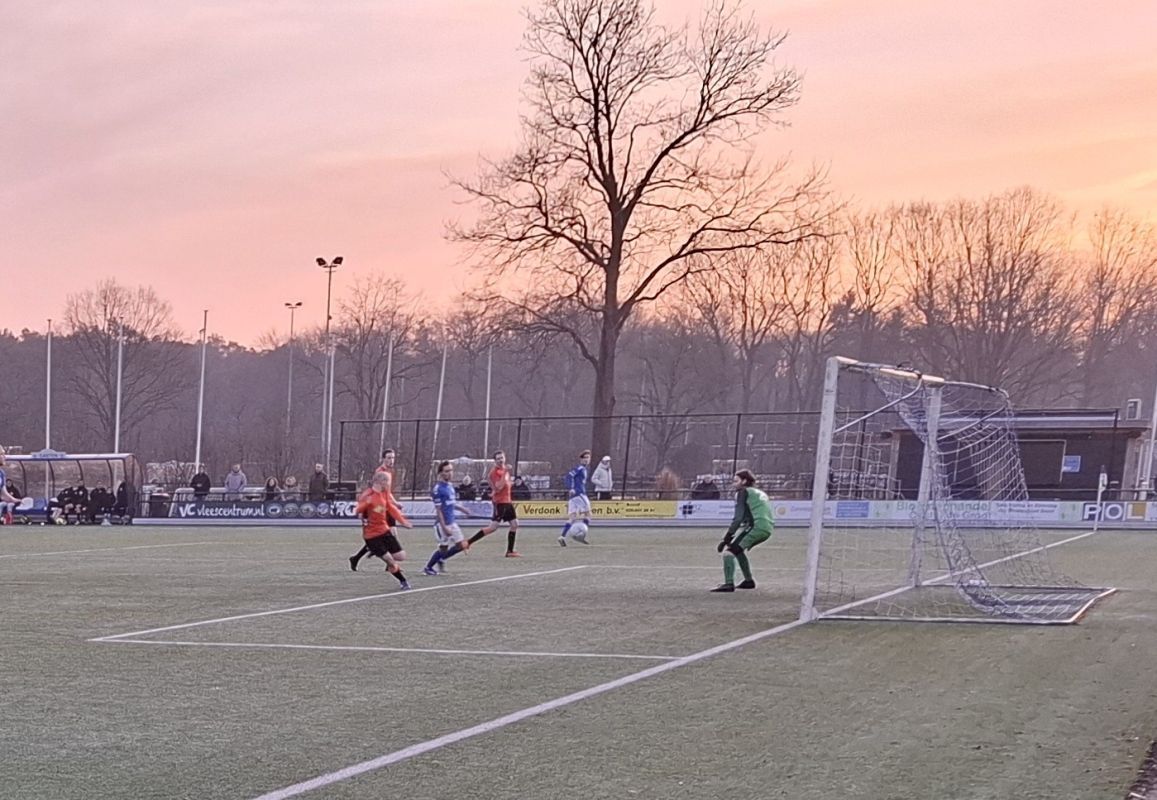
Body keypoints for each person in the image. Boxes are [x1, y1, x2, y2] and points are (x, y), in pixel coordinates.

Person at [711, 469, 775, 593]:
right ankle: (748, 581)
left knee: (729, 553)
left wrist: (727, 538)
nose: (733, 484)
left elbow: (738, 518)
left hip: (756, 526)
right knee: (738, 550)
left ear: (744, 481)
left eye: (736, 481)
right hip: (766, 527)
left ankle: (729, 584)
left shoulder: (742, 492)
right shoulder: (758, 492)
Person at [354, 470, 413, 590]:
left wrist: (403, 522)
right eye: (388, 481)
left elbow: (391, 508)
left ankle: (377, 551)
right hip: (371, 536)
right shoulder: (367, 495)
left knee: (401, 556)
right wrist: (366, 505)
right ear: (381, 481)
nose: (389, 484)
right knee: (390, 561)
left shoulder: (384, 493)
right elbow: (357, 511)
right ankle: (403, 581)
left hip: (384, 531)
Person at [349, 449, 400, 571]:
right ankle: (389, 564)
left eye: (393, 458)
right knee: (388, 535)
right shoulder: (380, 472)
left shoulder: (389, 471)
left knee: (387, 535)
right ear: (383, 459)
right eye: (389, 458)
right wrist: (395, 503)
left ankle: (356, 558)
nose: (391, 460)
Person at [422, 460, 473, 575]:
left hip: (452, 522)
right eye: (447, 471)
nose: (450, 473)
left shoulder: (450, 486)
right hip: (442, 524)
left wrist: (463, 509)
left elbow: (451, 503)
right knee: (443, 548)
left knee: (461, 545)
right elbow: (439, 510)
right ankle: (428, 567)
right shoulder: (438, 489)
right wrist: (444, 527)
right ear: (441, 473)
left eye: (451, 470)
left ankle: (441, 559)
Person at [466, 450, 521, 557]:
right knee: (493, 527)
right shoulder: (495, 472)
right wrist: (504, 474)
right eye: (498, 458)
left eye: (502, 458)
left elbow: (502, 486)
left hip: (507, 502)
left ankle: (510, 551)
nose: (501, 460)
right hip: (500, 503)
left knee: (514, 524)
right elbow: (499, 487)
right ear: (495, 461)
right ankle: (468, 542)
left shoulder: (504, 471)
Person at [558, 450, 593, 546]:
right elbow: (569, 476)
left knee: (572, 517)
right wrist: (571, 488)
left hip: (573, 496)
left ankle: (562, 536)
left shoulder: (584, 469)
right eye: (585, 458)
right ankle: (581, 535)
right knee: (588, 514)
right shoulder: (580, 468)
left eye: (588, 458)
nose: (587, 460)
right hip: (579, 494)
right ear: (581, 459)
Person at [0, 447, 17, 525]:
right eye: (2, 454)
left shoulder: (1, 473)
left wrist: (14, 499)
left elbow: (3, 495)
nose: (4, 457)